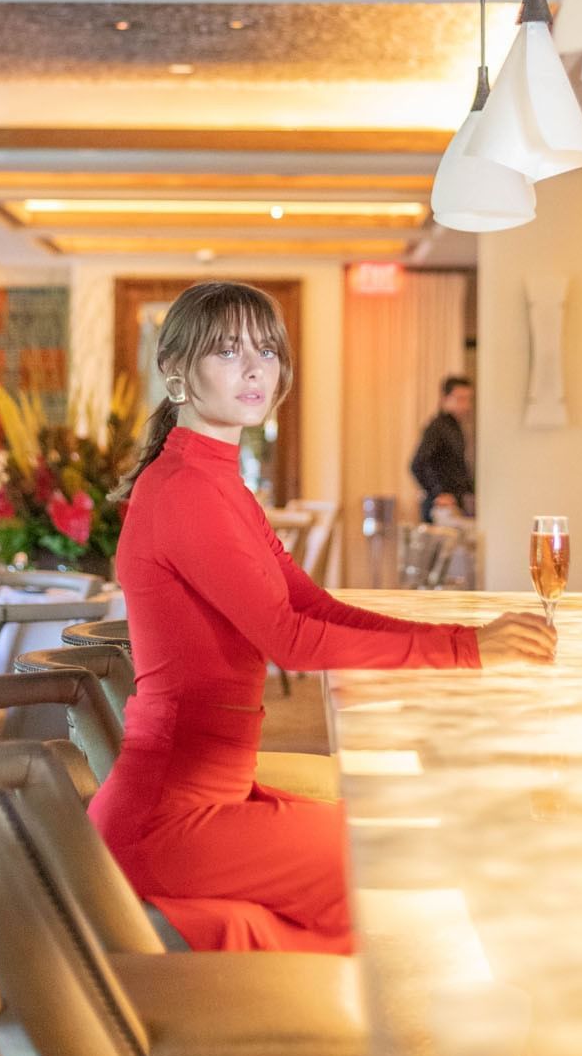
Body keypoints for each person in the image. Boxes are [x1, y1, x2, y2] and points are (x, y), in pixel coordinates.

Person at [88, 281, 555, 955]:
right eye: (227, 351)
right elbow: (292, 642)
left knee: (401, 842)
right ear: (177, 374)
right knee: (402, 858)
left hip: (214, 793)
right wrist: (467, 651)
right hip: (170, 820)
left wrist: (465, 643)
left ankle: (357, 1027)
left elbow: (313, 606)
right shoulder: (186, 488)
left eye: (267, 349)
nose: (254, 367)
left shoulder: (215, 481)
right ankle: (374, 1035)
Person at [410, 375, 475, 522]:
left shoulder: (455, 427)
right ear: (445, 399)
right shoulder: (438, 427)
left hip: (455, 504)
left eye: (468, 399)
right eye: (460, 399)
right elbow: (417, 464)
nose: (466, 405)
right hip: (440, 508)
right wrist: (439, 493)